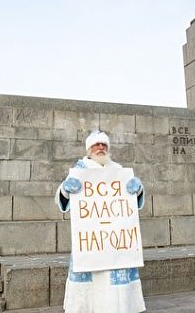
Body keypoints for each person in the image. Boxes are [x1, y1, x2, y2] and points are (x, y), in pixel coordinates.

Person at [56, 130, 146, 313]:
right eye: (96, 145)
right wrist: (66, 189)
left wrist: (138, 190)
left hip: (115, 243)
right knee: (92, 292)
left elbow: (130, 203)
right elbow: (63, 199)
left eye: (104, 145)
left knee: (117, 296)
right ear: (89, 149)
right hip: (92, 243)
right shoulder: (80, 170)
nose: (100, 147)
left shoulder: (119, 170)